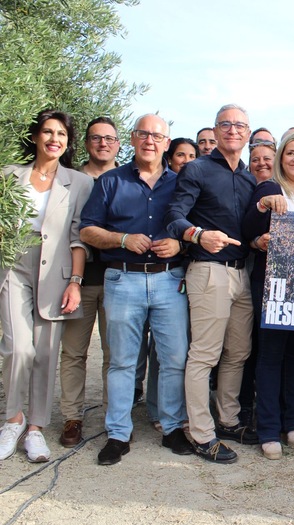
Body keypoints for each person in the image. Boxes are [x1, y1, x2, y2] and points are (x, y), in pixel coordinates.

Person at [80, 114, 192, 465]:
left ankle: (172, 428)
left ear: (166, 142)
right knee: (122, 362)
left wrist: (180, 247)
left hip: (169, 279)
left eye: (157, 136)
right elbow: (87, 231)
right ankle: (118, 433)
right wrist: (122, 239)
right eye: (144, 134)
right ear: (132, 138)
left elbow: (194, 230)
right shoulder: (110, 182)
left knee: (174, 359)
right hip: (122, 278)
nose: (150, 141)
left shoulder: (182, 184)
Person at [166, 104, 257, 464]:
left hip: (241, 274)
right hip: (208, 271)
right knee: (204, 355)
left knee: (237, 353)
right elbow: (175, 216)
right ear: (216, 131)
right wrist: (198, 234)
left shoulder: (250, 179)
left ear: (247, 134)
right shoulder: (196, 169)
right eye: (226, 125)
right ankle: (202, 434)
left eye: (240, 125)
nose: (233, 130)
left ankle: (229, 420)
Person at [0, 109, 92, 462]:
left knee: (46, 352)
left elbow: (78, 236)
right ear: (36, 136)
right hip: (14, 267)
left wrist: (75, 282)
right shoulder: (9, 176)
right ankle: (13, 419)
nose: (55, 139)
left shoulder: (79, 182)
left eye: (62, 135)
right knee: (17, 348)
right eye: (48, 132)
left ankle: (35, 428)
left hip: (57, 269)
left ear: (67, 143)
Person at [242, 132, 294, 460]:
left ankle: (293, 423)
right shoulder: (270, 188)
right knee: (271, 356)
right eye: (290, 153)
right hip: (274, 286)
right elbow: (247, 230)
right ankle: (269, 428)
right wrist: (261, 211)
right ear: (280, 156)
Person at [58, 116, 119, 447]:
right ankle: (72, 417)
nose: (103, 144)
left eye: (109, 138)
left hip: (116, 279)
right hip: (76, 281)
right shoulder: (70, 180)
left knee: (116, 353)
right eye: (96, 138)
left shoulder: (126, 179)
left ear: (118, 144)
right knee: (74, 352)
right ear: (85, 143)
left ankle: (115, 417)